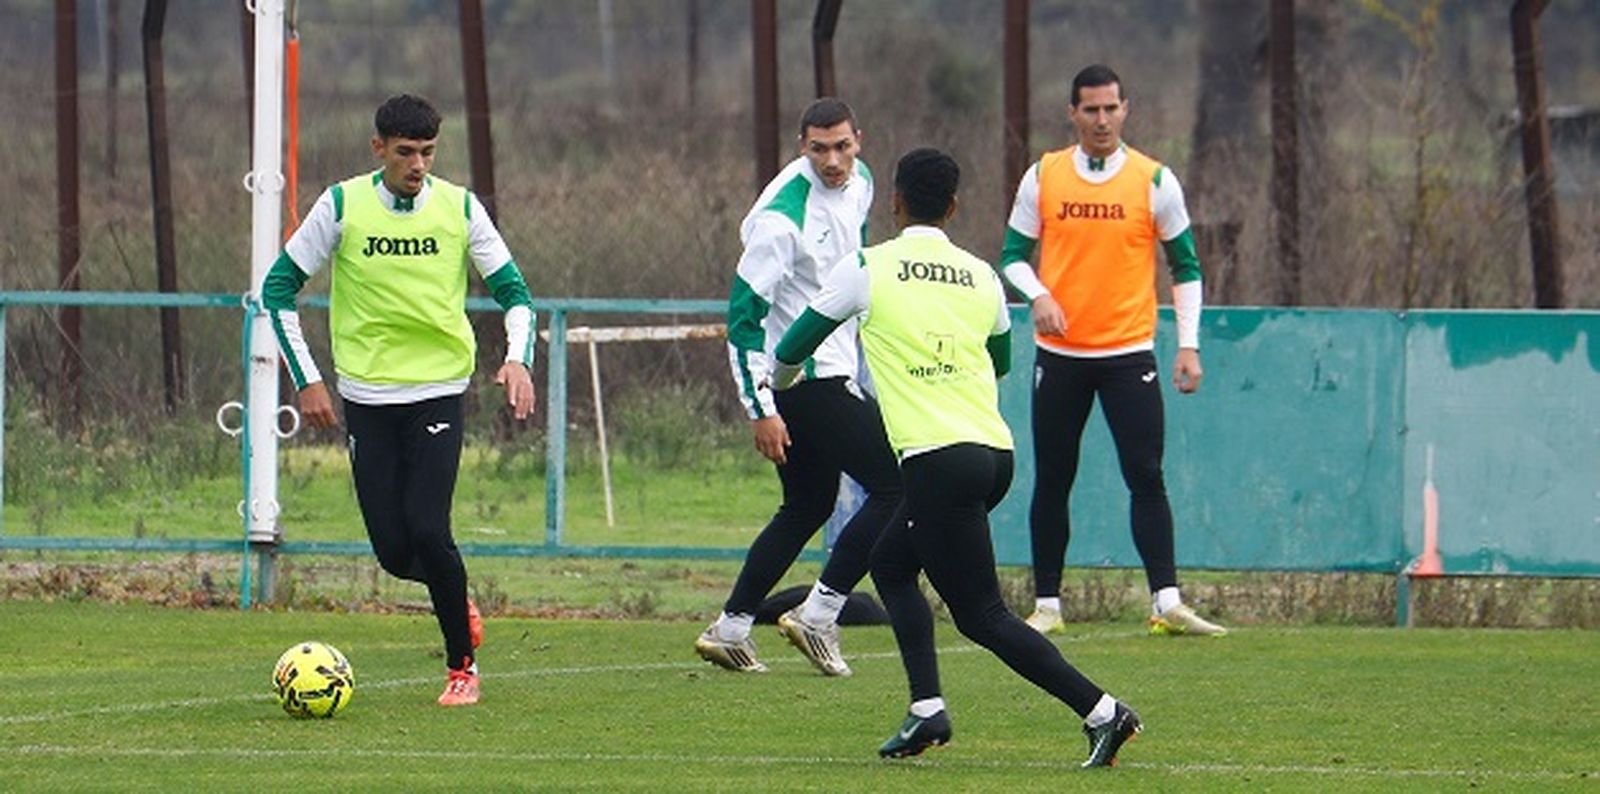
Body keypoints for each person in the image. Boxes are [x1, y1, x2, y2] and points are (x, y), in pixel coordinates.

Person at [773, 148, 1142, 767]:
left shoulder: (867, 265)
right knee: (890, 565)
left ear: (892, 201)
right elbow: (997, 360)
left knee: (983, 616)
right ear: (953, 206)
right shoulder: (982, 276)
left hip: (938, 460)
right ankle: (926, 712)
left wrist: (780, 390)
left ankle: (1105, 713)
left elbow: (793, 345)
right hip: (992, 453)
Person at [262, 94, 537, 706]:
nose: (418, 164)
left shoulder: (461, 209)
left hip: (438, 391)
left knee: (429, 528)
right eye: (406, 152)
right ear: (379, 148)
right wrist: (307, 378)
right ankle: (452, 590)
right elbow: (277, 290)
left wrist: (518, 356)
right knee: (393, 551)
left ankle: (461, 667)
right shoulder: (341, 206)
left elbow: (516, 294)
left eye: (428, 152)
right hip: (366, 397)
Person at [999, 64, 1226, 637]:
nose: (1102, 120)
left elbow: (1187, 266)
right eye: (1091, 110)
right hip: (1061, 355)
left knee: (1145, 473)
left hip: (1128, 353)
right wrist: (1039, 295)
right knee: (1053, 476)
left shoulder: (1154, 180)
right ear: (1072, 113)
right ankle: (1048, 604)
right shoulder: (1044, 175)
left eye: (1111, 108)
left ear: (1126, 109)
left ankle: (1167, 602)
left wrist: (1189, 347)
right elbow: (1011, 256)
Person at [693, 97, 903, 677]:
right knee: (898, 485)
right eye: (819, 149)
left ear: (859, 139)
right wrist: (760, 407)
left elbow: (850, 269)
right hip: (803, 379)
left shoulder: (860, 181)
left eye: (842, 146)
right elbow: (742, 319)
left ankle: (731, 630)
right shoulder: (781, 222)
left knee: (806, 504)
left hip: (835, 370)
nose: (833, 160)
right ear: (801, 147)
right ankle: (820, 612)